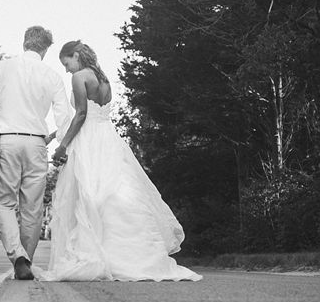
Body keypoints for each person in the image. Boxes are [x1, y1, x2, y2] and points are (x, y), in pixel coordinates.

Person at [40, 40, 201, 282]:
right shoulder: (103, 79)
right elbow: (94, 114)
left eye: (66, 63)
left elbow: (82, 115)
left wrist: (62, 146)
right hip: (109, 139)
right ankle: (131, 256)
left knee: (89, 196)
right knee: (116, 194)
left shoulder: (80, 77)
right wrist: (56, 133)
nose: (66, 69)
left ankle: (98, 255)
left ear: (75, 55)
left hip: (90, 141)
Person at [0, 26, 72, 280]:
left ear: (24, 42)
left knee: (2, 202)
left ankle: (17, 255)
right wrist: (63, 146)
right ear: (45, 49)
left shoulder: (2, 68)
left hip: (6, 142)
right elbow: (64, 117)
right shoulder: (51, 75)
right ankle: (25, 261)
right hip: (37, 145)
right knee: (33, 208)